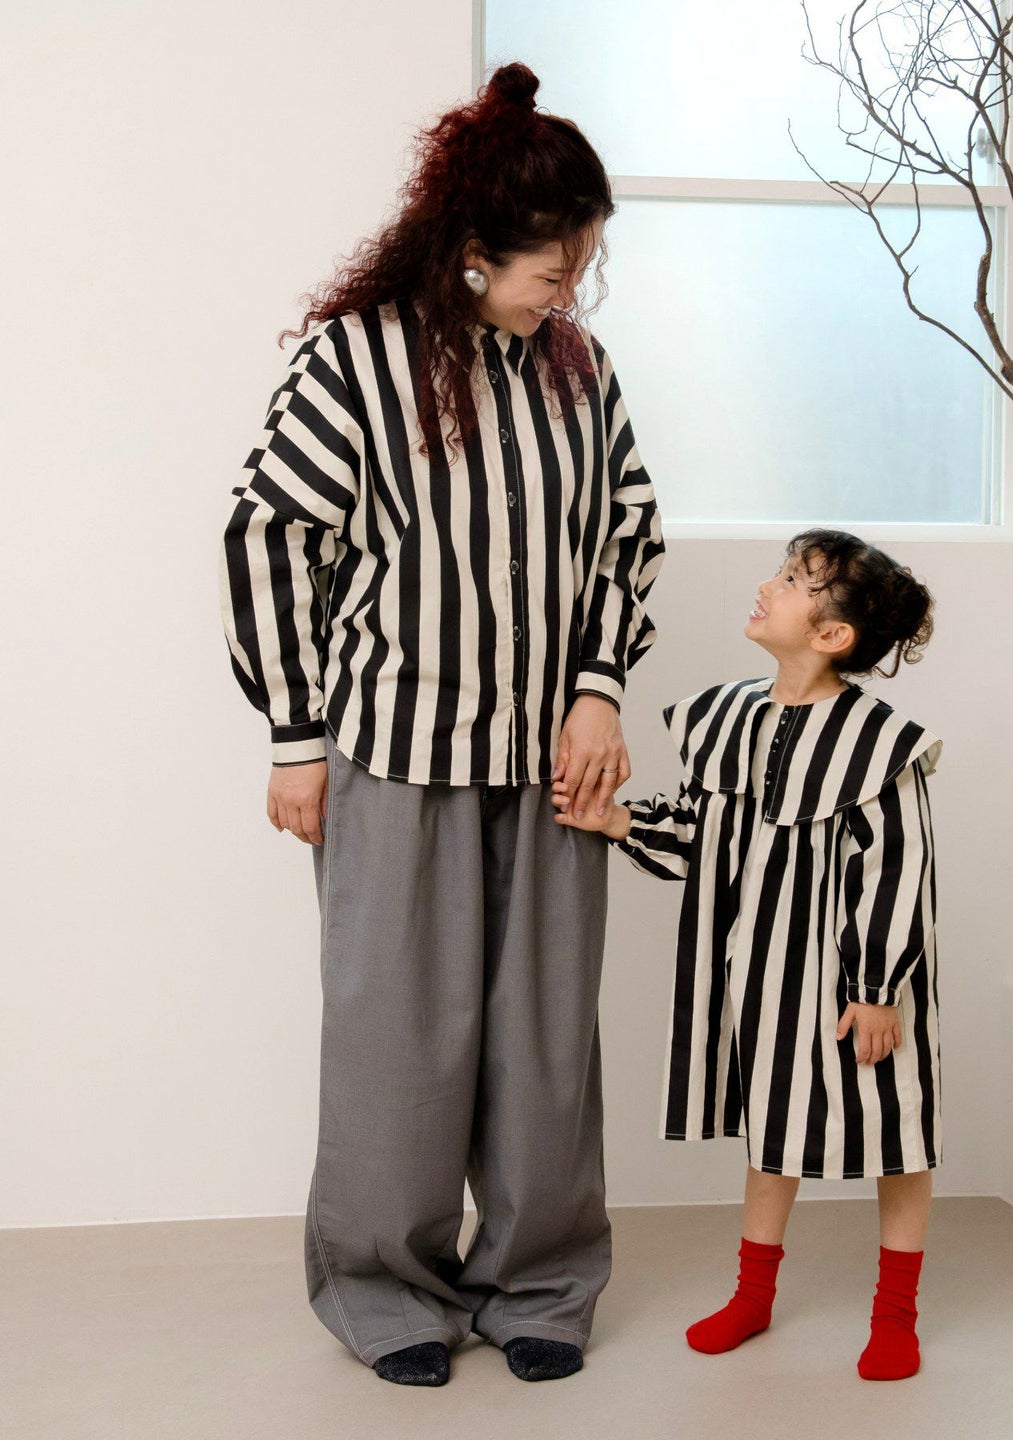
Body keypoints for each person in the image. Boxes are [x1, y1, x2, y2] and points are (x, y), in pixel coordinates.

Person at [219, 63, 664, 1387]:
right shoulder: (355, 362)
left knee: (545, 1051)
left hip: (554, 766)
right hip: (396, 758)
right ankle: (384, 1291)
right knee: (395, 1048)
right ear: (474, 248)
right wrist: (296, 738)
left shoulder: (578, 370)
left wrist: (599, 687)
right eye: (554, 267)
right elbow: (268, 536)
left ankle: (541, 1283)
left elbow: (625, 532)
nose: (568, 292)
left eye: (582, 267)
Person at [553, 528, 940, 1380]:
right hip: (763, 972)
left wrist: (878, 989)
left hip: (857, 982)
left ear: (831, 634)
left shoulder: (879, 742)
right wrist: (618, 821)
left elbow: (897, 871)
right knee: (772, 1127)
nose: (768, 586)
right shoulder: (727, 716)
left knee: (896, 1133)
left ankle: (895, 1315)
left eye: (795, 581)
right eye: (781, 571)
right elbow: (704, 839)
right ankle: (754, 1295)